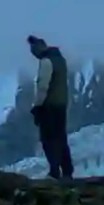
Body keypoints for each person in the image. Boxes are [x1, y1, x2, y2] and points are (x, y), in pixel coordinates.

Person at [29, 35, 74, 181]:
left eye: (33, 49)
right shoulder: (61, 60)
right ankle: (67, 170)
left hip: (49, 105)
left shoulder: (46, 62)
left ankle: (54, 171)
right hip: (61, 104)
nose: (33, 53)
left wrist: (37, 106)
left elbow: (43, 86)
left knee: (48, 139)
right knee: (60, 138)